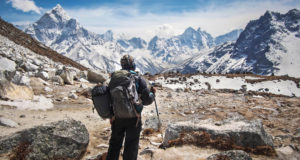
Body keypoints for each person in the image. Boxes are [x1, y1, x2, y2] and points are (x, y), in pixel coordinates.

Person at [106, 55, 155, 160]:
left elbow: (109, 97)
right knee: (131, 144)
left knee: (114, 144)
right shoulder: (137, 78)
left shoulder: (114, 78)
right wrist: (152, 94)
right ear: (133, 65)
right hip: (134, 117)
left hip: (117, 117)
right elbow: (147, 100)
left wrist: (111, 115)